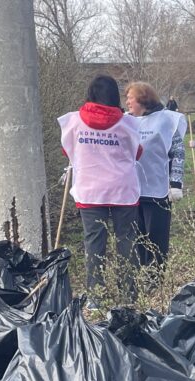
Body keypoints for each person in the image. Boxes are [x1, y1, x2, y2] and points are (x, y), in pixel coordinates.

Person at [58, 75, 142, 307]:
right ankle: (129, 294)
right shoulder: (127, 123)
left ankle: (96, 296)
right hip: (122, 190)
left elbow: (67, 151)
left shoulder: (74, 122)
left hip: (90, 190)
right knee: (127, 241)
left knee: (94, 243)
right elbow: (138, 153)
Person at [125, 81, 187, 270]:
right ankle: (140, 271)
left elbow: (177, 152)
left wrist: (176, 183)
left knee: (157, 236)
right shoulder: (127, 121)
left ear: (143, 99)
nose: (127, 102)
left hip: (158, 189)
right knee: (137, 236)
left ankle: (156, 274)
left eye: (130, 98)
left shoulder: (167, 120)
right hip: (132, 190)